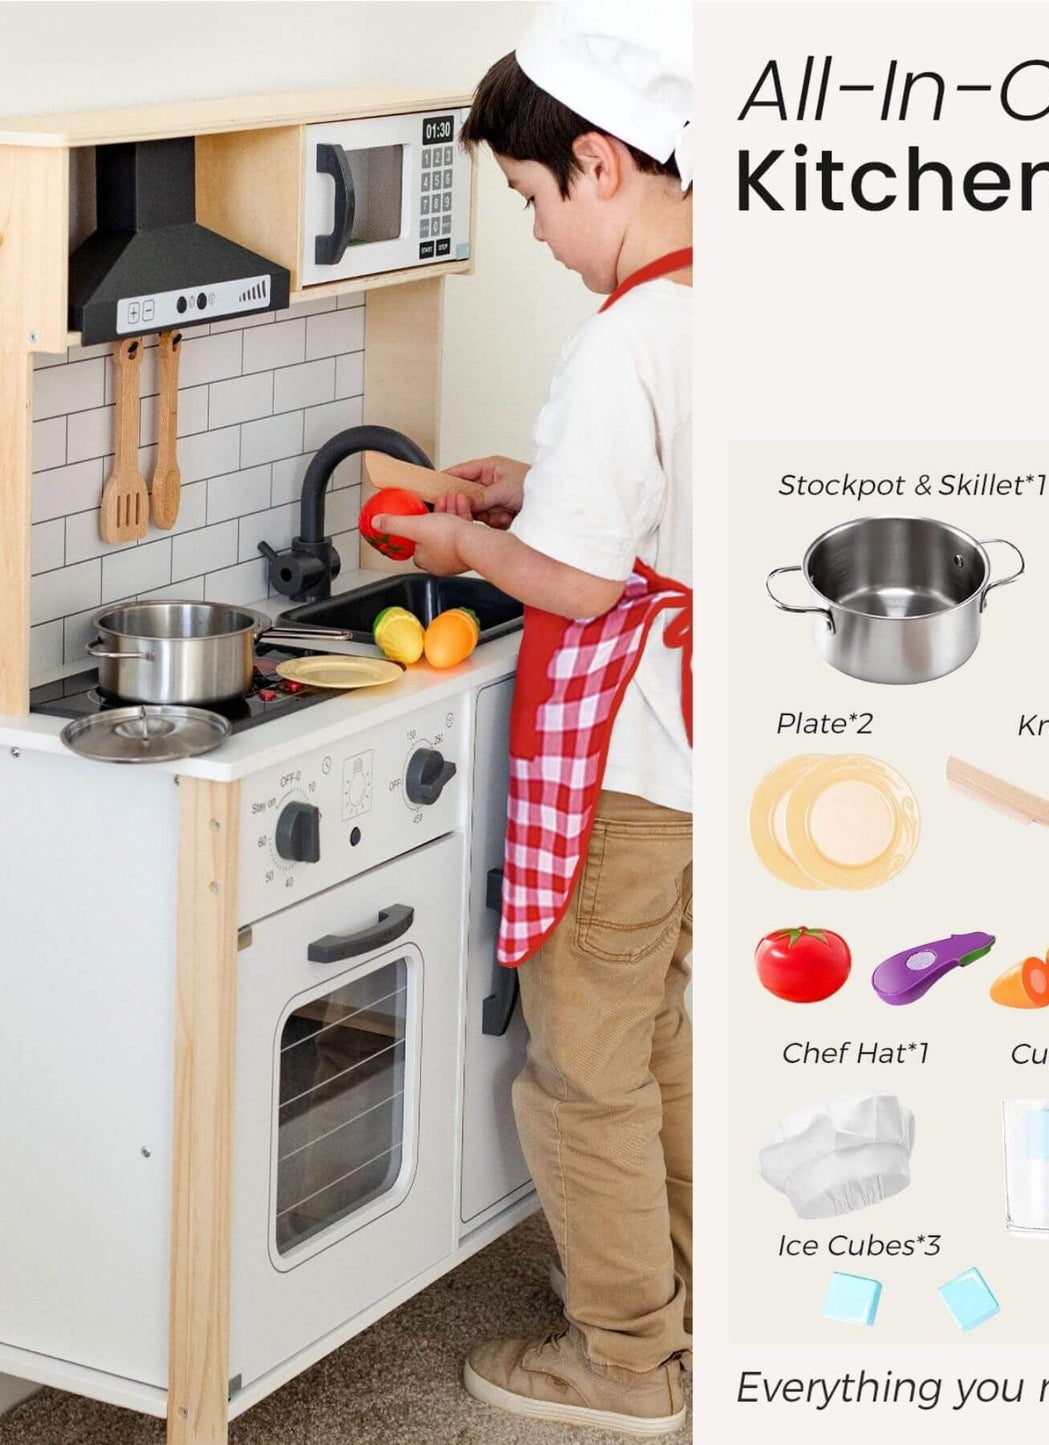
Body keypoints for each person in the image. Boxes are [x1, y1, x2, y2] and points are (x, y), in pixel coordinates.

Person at [372, 4, 693, 1436]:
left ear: (597, 162)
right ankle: (702, 1304)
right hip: (708, 749)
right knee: (662, 1033)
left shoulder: (624, 341)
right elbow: (643, 514)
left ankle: (624, 1360)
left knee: (579, 1060)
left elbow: (574, 575)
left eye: (528, 203)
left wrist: (463, 547)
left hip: (629, 758)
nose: (540, 237)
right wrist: (521, 491)